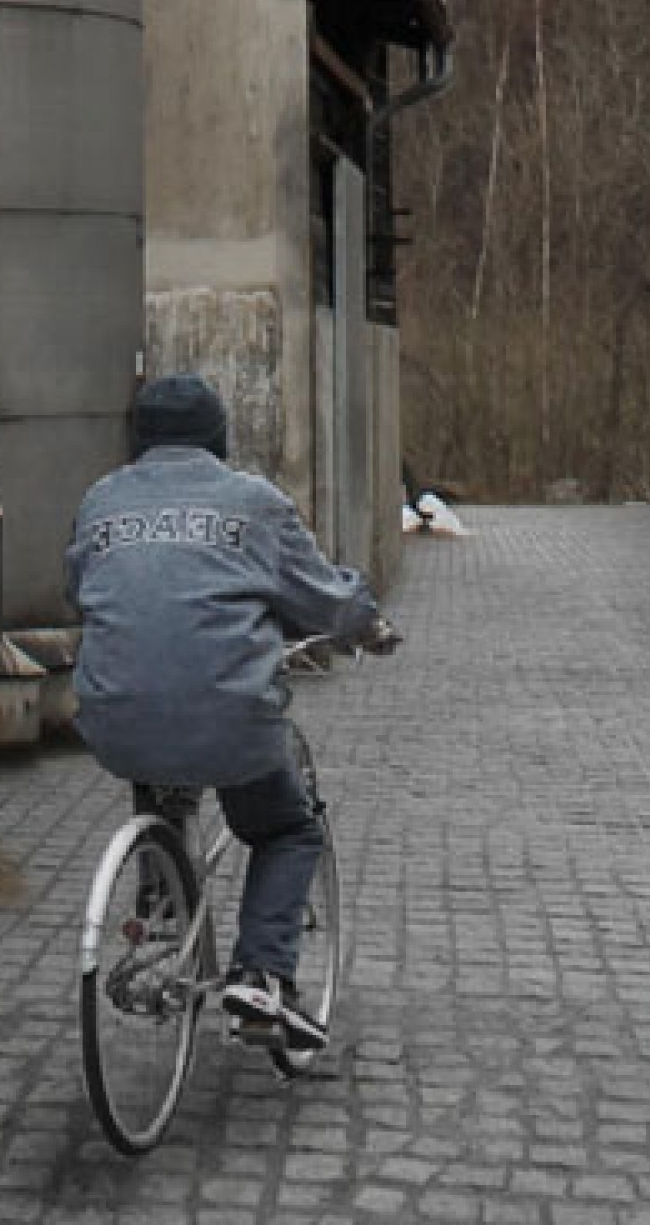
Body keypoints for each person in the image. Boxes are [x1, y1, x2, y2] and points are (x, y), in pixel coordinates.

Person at [64, 372, 398, 1053]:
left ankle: (160, 900)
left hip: (111, 718)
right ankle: (263, 976)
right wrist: (365, 625)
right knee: (284, 829)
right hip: (229, 720)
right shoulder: (252, 502)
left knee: (151, 724)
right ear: (219, 438)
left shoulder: (100, 499)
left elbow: (81, 589)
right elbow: (326, 601)